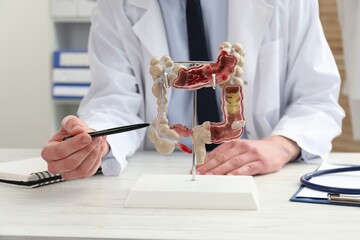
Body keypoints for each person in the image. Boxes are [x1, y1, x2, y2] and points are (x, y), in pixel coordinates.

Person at [41, 0, 345, 180]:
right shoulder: (115, 6)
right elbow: (113, 100)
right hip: (160, 178)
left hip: (261, 179)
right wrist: (95, 139)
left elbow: (317, 99)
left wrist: (281, 144)